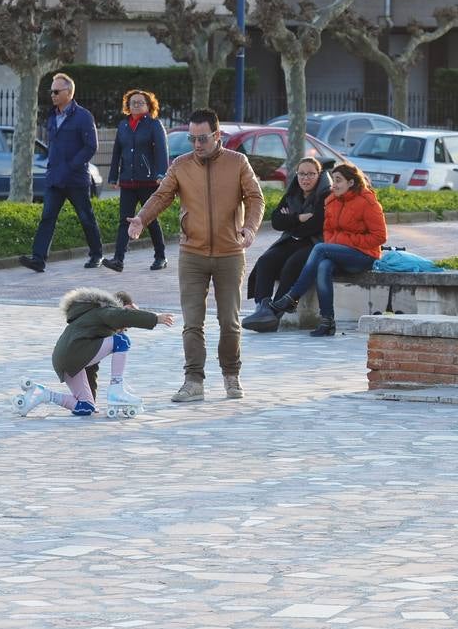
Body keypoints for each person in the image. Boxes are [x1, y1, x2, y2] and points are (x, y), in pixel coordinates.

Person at [129, 108, 263, 401]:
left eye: (202, 138)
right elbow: (162, 196)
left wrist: (250, 228)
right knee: (193, 322)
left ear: (216, 136)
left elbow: (255, 198)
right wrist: (142, 219)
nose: (196, 145)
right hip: (192, 254)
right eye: (192, 139)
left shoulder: (238, 162)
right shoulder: (181, 165)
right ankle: (193, 381)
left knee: (229, 321)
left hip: (230, 253)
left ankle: (231, 375)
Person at [255, 163, 387, 338]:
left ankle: (291, 297)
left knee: (319, 248)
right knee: (323, 266)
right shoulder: (331, 200)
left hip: (363, 256)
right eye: (333, 181)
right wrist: (337, 242)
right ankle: (327, 322)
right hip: (338, 252)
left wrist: (344, 241)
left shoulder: (368, 201)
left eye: (339, 181)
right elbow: (328, 232)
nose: (334, 185)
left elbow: (379, 237)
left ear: (351, 183)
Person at [13, 288, 174, 418]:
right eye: (126, 324)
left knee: (86, 408)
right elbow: (121, 315)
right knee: (121, 341)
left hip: (68, 361)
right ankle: (116, 388)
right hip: (74, 356)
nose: (125, 327)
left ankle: (44, 394)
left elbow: (91, 366)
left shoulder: (93, 320)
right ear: (125, 308)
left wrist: (92, 396)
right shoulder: (105, 311)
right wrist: (155, 318)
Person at [19, 73, 103, 273]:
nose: (53, 95)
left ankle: (96, 253)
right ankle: (38, 259)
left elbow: (91, 146)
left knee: (85, 217)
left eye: (56, 91)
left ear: (69, 92)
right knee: (47, 217)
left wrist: (71, 165)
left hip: (75, 179)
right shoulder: (52, 115)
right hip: (55, 178)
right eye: (51, 92)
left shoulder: (83, 116)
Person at [241, 157, 331, 332]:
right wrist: (298, 218)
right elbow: (276, 221)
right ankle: (263, 307)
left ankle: (276, 313)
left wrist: (290, 221)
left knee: (292, 264)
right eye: (302, 174)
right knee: (266, 260)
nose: (305, 178)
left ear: (319, 175)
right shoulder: (293, 193)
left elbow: (316, 225)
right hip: (292, 240)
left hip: (315, 244)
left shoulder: (325, 196)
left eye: (311, 174)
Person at [103, 88, 169, 273]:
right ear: (128, 106)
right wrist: (113, 176)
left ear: (149, 106)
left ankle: (160, 257)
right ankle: (118, 259)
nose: (136, 105)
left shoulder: (154, 125)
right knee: (125, 220)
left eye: (141, 102)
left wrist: (161, 174)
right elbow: (117, 152)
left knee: (150, 219)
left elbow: (162, 151)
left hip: (148, 181)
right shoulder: (123, 126)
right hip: (127, 181)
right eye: (133, 102)